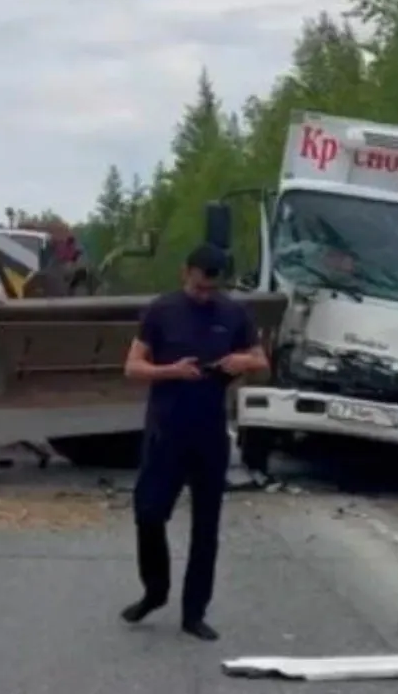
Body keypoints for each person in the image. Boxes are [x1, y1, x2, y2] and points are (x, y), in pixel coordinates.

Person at [119, 243, 269, 641]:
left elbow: (261, 360)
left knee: (206, 527)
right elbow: (132, 367)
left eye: (211, 289)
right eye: (200, 286)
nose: (205, 295)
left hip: (209, 433)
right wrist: (171, 371)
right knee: (149, 514)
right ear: (186, 272)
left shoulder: (234, 315)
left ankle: (194, 613)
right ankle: (155, 591)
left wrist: (242, 363)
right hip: (166, 430)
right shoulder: (161, 311)